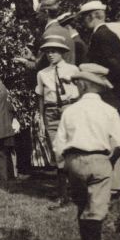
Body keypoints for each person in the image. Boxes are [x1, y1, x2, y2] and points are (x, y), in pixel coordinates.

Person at [52, 63, 120, 240]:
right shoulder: (109, 111)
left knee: (82, 207)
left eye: (77, 83)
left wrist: (64, 165)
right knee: (95, 213)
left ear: (83, 85)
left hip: (74, 161)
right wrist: (108, 162)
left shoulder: (70, 111)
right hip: (100, 159)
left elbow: (59, 144)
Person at [79, 0, 120, 192]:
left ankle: (115, 183)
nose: (83, 22)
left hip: (109, 93)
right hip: (115, 92)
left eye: (84, 18)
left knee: (111, 136)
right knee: (118, 134)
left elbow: (117, 67)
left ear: (92, 16)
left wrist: (105, 80)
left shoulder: (101, 36)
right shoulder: (108, 34)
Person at [35, 35, 80, 209]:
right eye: (47, 52)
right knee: (58, 151)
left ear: (62, 52)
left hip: (69, 109)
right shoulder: (42, 74)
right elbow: (40, 97)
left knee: (74, 149)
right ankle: (63, 195)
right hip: (51, 112)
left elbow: (80, 92)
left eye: (54, 51)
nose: (50, 55)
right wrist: (40, 116)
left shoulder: (73, 69)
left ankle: (77, 190)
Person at [14, 0, 76, 71]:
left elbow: (40, 67)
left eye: (38, 13)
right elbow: (50, 60)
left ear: (46, 12)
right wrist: (32, 57)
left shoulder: (49, 33)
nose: (37, 17)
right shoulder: (64, 31)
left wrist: (24, 62)